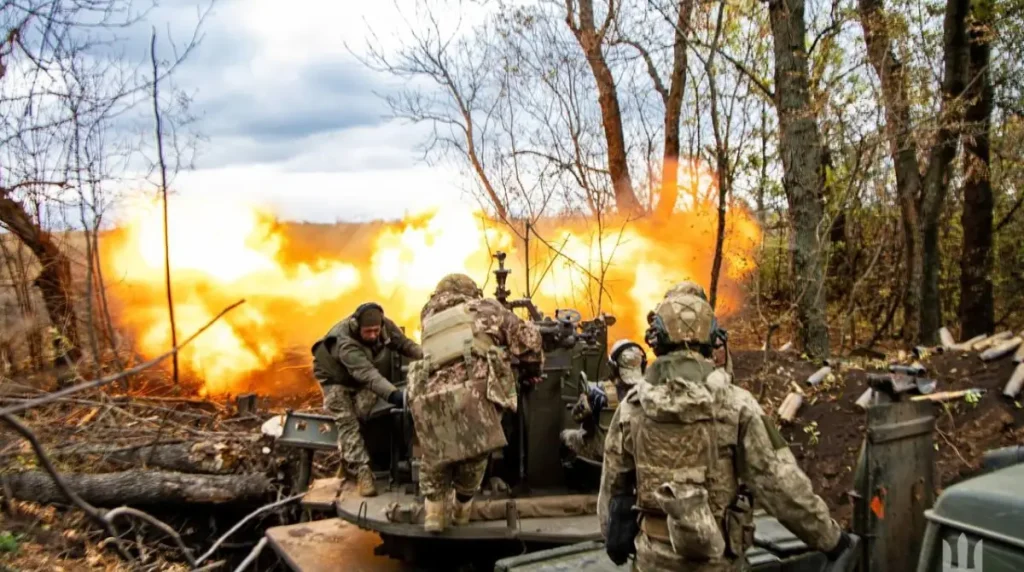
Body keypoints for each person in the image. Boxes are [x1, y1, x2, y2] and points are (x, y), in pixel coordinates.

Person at [598, 290, 851, 571]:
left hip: (652, 562)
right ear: (713, 339)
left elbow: (612, 489)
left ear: (656, 341)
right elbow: (780, 485)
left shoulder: (632, 407)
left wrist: (615, 538)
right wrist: (832, 540)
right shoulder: (737, 406)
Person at [406, 273, 543, 533]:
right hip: (475, 390)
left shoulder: (428, 315)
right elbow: (528, 341)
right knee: (476, 447)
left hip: (430, 393)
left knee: (437, 450)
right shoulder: (486, 308)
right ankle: (462, 507)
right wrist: (532, 367)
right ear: (471, 292)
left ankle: (433, 511)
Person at [311, 302, 423, 497]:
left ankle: (347, 458)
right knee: (348, 421)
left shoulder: (385, 326)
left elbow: (404, 344)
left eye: (375, 331)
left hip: (360, 376)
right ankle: (361, 469)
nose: (373, 335)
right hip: (335, 379)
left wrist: (428, 356)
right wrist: (394, 395)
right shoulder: (344, 342)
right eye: (368, 331)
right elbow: (369, 375)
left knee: (366, 411)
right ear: (357, 327)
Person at [560, 339, 647, 461]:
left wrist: (584, 399)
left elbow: (578, 417)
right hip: (637, 452)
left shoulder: (599, 394)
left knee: (565, 436)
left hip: (605, 452)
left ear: (612, 367)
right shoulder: (649, 392)